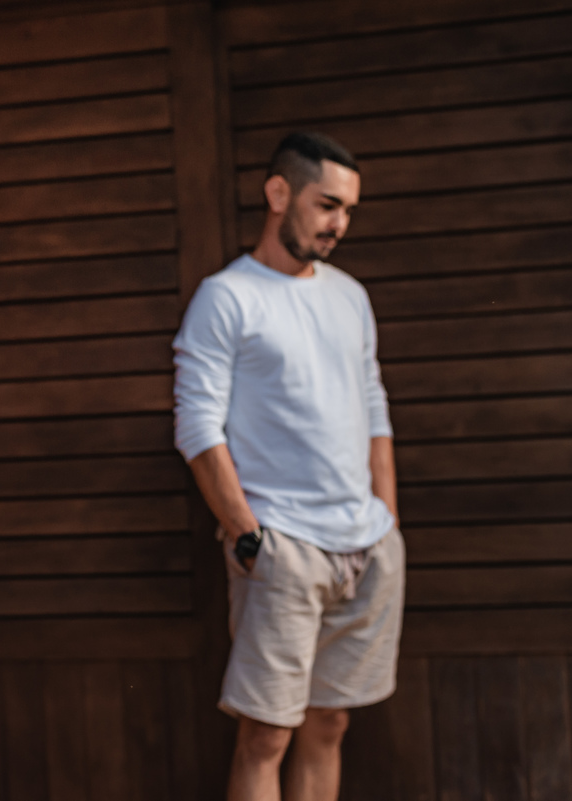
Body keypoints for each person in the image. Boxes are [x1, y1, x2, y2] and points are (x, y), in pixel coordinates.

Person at [172, 132, 403, 801]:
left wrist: (387, 519)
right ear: (279, 194)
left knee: (329, 723)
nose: (340, 223)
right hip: (283, 549)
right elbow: (196, 425)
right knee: (266, 734)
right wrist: (249, 535)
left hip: (366, 546)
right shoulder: (228, 297)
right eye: (328, 204)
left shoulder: (350, 296)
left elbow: (373, 406)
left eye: (349, 210)